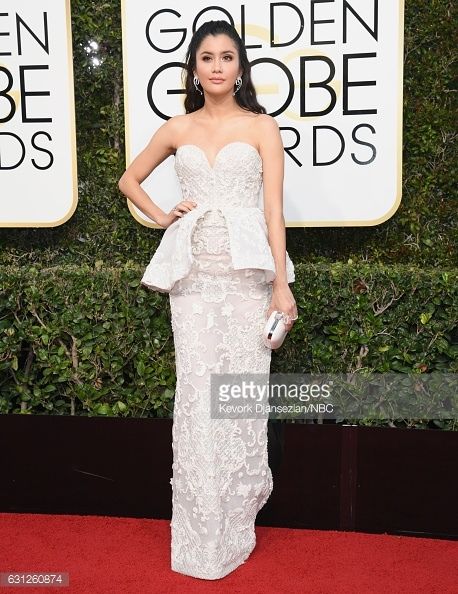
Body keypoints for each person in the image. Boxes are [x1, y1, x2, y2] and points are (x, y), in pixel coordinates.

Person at [118, 20, 298, 580]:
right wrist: (161, 214)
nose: (217, 66)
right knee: (197, 395)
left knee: (239, 397)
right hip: (195, 278)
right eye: (206, 57)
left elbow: (273, 209)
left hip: (248, 277)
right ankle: (199, 535)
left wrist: (280, 281)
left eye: (226, 56)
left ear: (240, 67)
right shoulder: (177, 126)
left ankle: (236, 522)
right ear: (193, 70)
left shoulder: (263, 127)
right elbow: (129, 180)